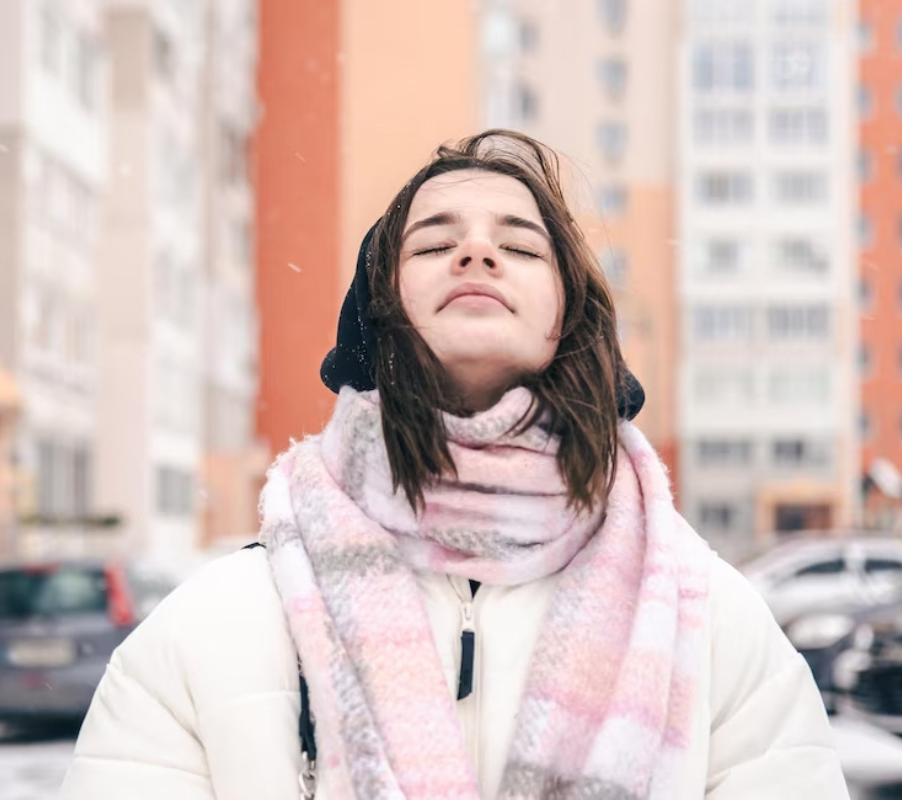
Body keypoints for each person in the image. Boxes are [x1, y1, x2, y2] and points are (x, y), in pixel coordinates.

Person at [60, 130, 847, 799]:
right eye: (435, 243)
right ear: (381, 310)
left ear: (571, 315)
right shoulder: (212, 629)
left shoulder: (710, 623)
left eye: (519, 245)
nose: (476, 251)